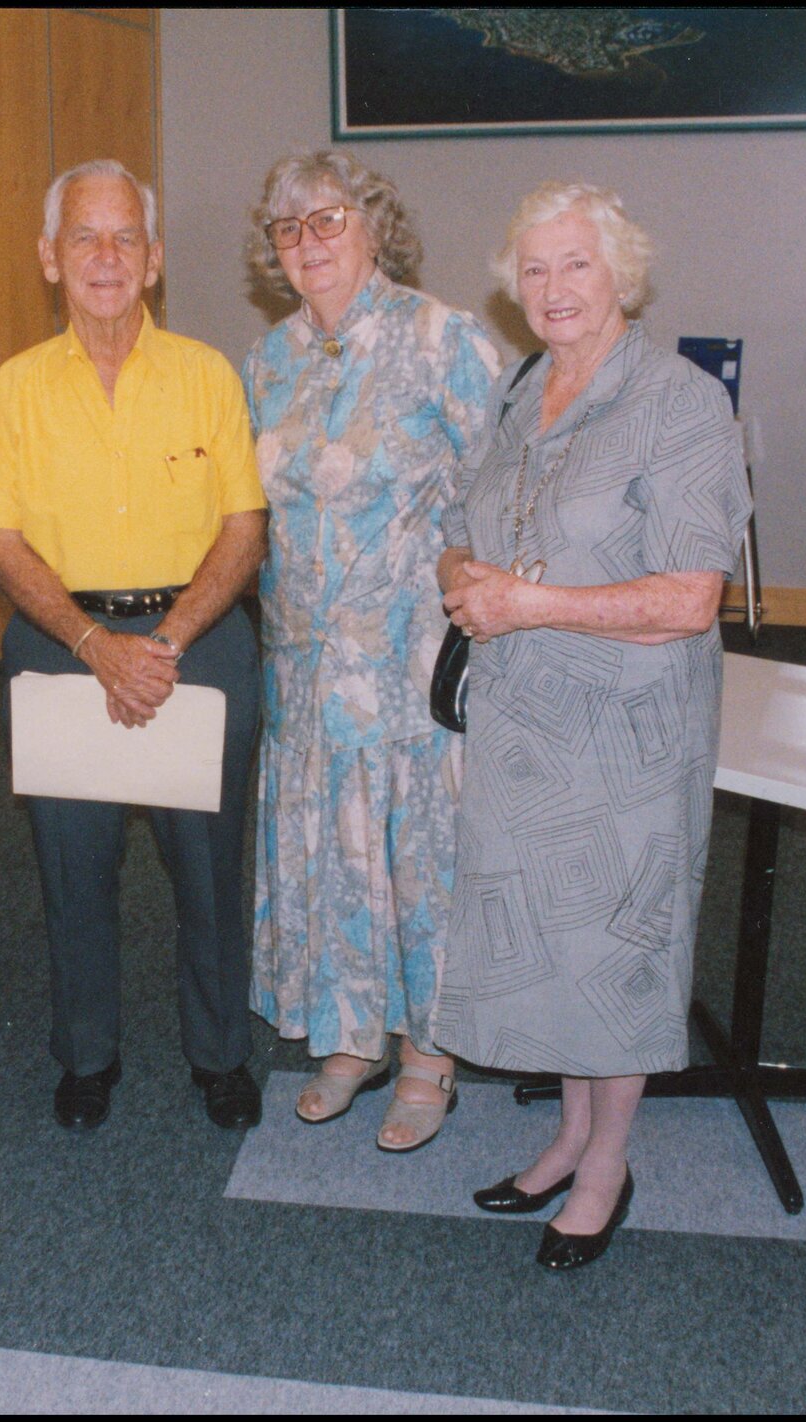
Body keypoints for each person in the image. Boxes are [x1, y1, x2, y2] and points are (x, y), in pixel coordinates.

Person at [432, 182, 750, 1269]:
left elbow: (689, 599)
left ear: (621, 274)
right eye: (533, 269)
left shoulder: (681, 403)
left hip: (626, 730)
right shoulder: (527, 391)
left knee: (616, 950)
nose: (553, 288)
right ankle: (567, 1133)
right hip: (525, 723)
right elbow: (459, 526)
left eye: (576, 265)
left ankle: (608, 1164)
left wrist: (531, 605)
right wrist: (462, 575)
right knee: (556, 942)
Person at [0, 159, 269, 1132]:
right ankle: (86, 1054)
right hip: (65, 645)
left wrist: (167, 638)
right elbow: (3, 540)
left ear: (152, 261)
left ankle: (222, 1053)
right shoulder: (15, 388)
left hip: (199, 642)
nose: (104, 257)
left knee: (210, 869)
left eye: (123, 239)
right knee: (73, 868)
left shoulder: (206, 374)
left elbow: (242, 527)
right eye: (82, 238)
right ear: (49, 259)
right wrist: (97, 642)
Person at [241, 152, 501, 1150]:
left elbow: (498, 492)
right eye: (286, 228)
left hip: (406, 665)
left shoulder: (445, 341)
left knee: (415, 859)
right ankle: (352, 1037)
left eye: (326, 219)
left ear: (373, 226)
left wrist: (472, 589)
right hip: (304, 666)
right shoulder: (269, 361)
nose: (307, 241)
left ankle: (429, 1054)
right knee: (330, 854)